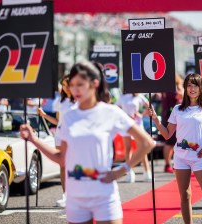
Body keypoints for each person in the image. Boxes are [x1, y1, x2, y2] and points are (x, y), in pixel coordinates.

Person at [20, 61, 154, 224]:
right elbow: (62, 158)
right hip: (76, 197)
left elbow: (147, 143)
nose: (75, 89)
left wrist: (121, 170)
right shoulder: (69, 116)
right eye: (72, 85)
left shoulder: (110, 112)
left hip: (104, 195)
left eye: (80, 84)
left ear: (94, 84)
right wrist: (33, 139)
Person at [149, 73, 202, 224]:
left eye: (195, 85)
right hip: (180, 157)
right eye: (189, 85)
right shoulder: (178, 109)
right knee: (185, 196)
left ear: (201, 88)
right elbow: (167, 135)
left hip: (199, 158)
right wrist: (155, 120)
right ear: (185, 88)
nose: (192, 88)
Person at [37, 74, 74, 207]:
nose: (65, 88)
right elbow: (57, 121)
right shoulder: (60, 101)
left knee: (74, 166)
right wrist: (44, 115)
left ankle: (75, 195)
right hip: (60, 135)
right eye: (63, 85)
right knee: (63, 166)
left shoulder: (79, 101)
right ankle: (65, 196)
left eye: (67, 85)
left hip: (74, 137)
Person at [115, 93, 152, 182]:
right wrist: (124, 116)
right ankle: (130, 173)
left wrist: (141, 114)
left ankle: (147, 172)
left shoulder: (139, 96)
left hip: (137, 124)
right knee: (128, 149)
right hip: (126, 125)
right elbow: (116, 108)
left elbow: (149, 106)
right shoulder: (122, 96)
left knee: (141, 148)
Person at [160, 74, 184, 172]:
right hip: (172, 116)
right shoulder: (173, 88)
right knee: (171, 142)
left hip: (168, 115)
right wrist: (181, 89)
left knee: (171, 141)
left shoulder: (166, 87)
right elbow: (180, 95)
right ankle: (169, 164)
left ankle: (170, 163)